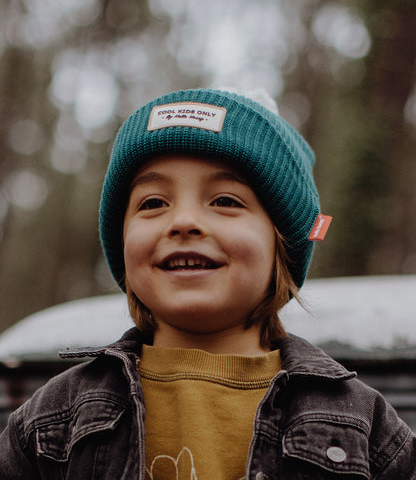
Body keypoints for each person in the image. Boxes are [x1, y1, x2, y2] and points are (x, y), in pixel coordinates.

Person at [0, 88, 415, 479]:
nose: (183, 222)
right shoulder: (52, 418)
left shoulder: (364, 425)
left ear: (282, 244)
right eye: (153, 203)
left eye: (225, 201)